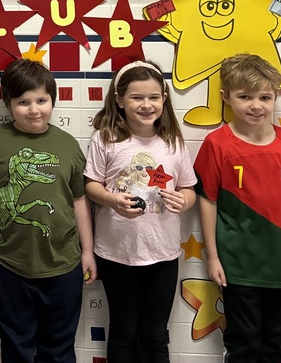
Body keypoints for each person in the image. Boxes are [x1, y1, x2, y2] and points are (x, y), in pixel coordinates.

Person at [0, 59, 95, 363]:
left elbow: (79, 200)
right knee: (16, 343)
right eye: (23, 102)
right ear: (9, 103)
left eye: (41, 100)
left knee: (60, 346)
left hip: (63, 262)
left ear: (53, 100)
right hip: (7, 261)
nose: (34, 109)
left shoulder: (67, 145)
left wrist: (88, 250)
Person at [194, 53, 281, 363]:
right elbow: (207, 201)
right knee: (243, 345)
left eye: (265, 96)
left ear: (276, 96)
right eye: (245, 96)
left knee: (273, 344)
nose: (256, 105)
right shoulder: (216, 144)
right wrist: (213, 256)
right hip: (237, 266)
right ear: (226, 97)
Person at [84, 61, 197, 363]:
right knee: (124, 329)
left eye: (154, 97)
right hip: (116, 253)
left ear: (164, 98)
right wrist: (111, 200)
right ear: (119, 100)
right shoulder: (105, 139)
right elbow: (90, 185)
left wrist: (184, 202)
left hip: (162, 254)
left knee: (155, 333)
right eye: (136, 97)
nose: (146, 105)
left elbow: (189, 189)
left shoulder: (173, 142)